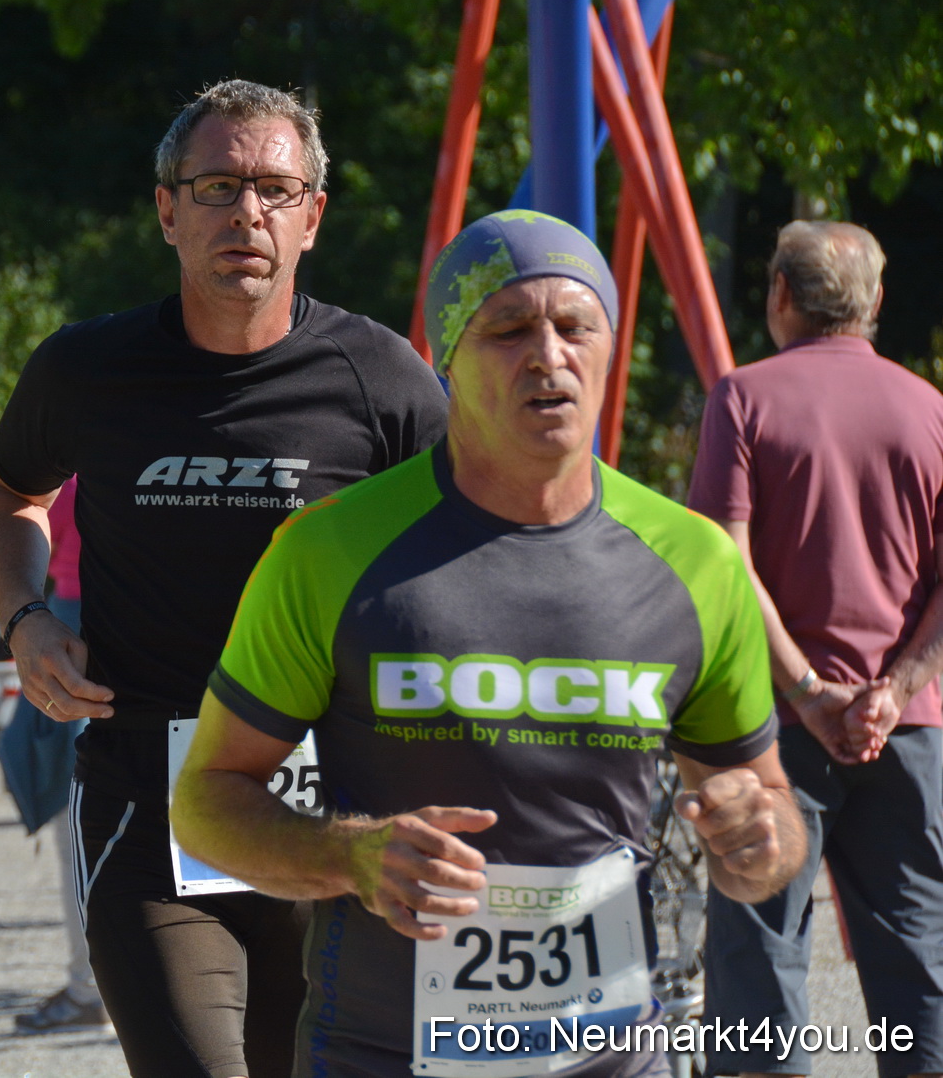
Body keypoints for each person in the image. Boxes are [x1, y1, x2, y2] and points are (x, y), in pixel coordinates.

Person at [167, 209, 808, 1078]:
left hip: (610, 1055)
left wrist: (760, 839)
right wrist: (348, 855)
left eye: (576, 326)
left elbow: (763, 810)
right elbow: (205, 801)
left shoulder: (695, 562)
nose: (549, 355)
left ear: (609, 349)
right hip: (383, 1054)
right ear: (446, 362)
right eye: (508, 329)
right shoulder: (329, 551)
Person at [0, 79, 449, 1078]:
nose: (247, 213)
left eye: (275, 189)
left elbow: (471, 544)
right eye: (219, 185)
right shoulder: (86, 370)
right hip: (155, 797)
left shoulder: (383, 378)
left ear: (312, 218)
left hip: (335, 807)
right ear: (166, 209)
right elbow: (4, 490)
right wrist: (23, 619)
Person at [689, 221, 943, 1078]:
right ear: (874, 303)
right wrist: (894, 687)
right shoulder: (931, 410)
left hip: (771, 727)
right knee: (919, 960)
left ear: (780, 297)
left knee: (758, 953)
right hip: (906, 729)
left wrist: (804, 690)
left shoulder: (744, 397)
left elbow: (723, 558)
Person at [12, 476, 109, 1031]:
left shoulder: (74, 471)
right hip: (105, 631)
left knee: (82, 831)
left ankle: (86, 988)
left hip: (78, 632)